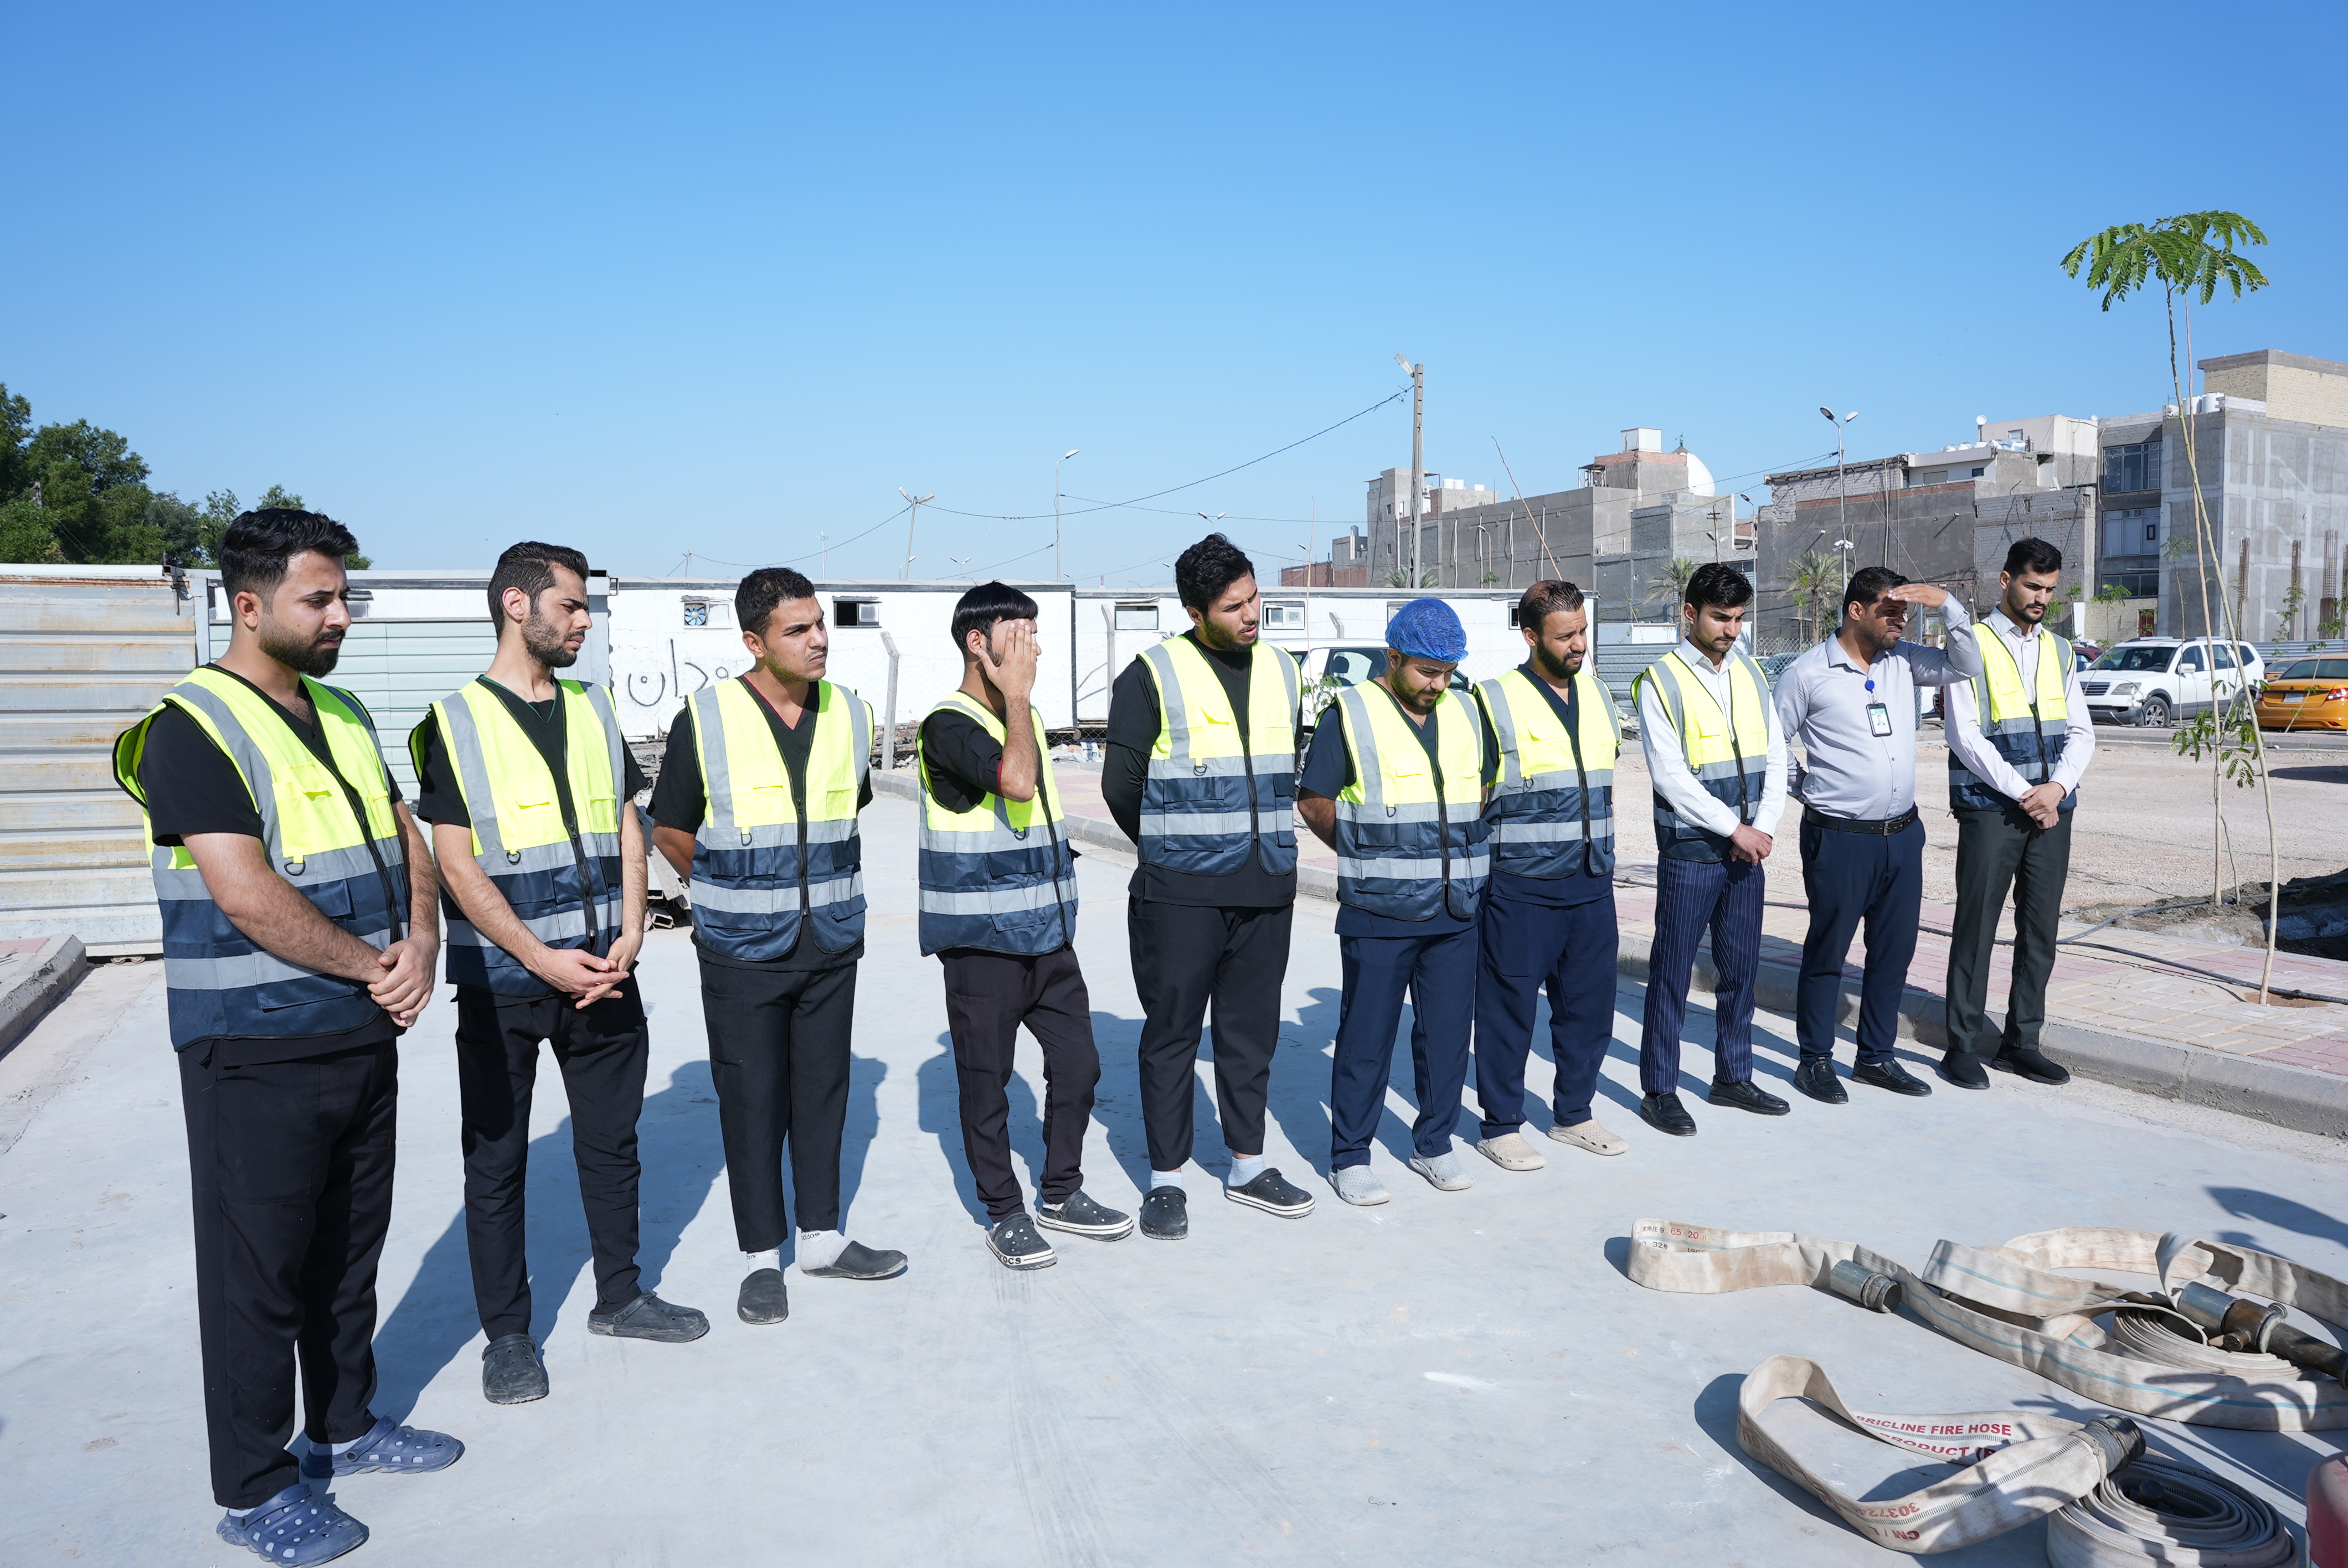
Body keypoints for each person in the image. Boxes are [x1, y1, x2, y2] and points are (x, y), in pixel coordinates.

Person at [114, 508, 460, 1564]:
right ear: (248, 604)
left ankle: (344, 1426)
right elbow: (243, 888)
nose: (341, 615)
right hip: (255, 1048)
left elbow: (402, 837)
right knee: (255, 1278)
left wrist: (421, 940)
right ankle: (255, 1487)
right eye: (320, 599)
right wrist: (376, 966)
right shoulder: (191, 727)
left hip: (357, 1033)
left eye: (345, 595)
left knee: (346, 1254)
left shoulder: (342, 709)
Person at [410, 541, 706, 1406]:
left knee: (612, 1145)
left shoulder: (591, 707)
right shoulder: (455, 720)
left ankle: (621, 1296)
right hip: (504, 986)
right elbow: (455, 861)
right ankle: (508, 1338)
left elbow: (625, 823)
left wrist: (632, 931)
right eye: (571, 606)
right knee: (497, 1163)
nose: (584, 623)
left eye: (586, 608)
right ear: (517, 605)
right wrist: (539, 958)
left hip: (606, 972)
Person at [648, 567, 908, 1327]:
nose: (819, 639)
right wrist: (730, 891)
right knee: (753, 1102)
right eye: (798, 630)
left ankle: (821, 1240)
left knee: (824, 1094)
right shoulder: (708, 717)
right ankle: (762, 1258)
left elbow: (844, 811)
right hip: (742, 951)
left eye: (820, 623)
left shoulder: (850, 713)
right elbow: (670, 829)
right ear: (754, 643)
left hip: (830, 942)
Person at [1100, 535, 1315, 1239]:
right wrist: (1173, 850)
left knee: (1249, 1036)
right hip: (1181, 893)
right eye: (1232, 607)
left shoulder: (1283, 669)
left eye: (1254, 598)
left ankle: (1248, 1165)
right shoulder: (1151, 676)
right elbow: (1120, 786)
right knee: (1172, 1034)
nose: (1251, 615)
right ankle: (1166, 1180)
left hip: (1267, 883)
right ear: (1195, 613)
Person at [917, 581, 1133, 1269]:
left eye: (1036, 636)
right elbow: (1013, 783)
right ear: (977, 643)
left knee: (1080, 1066)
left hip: (1046, 936)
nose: (1034, 650)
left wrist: (1019, 703)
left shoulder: (1025, 718)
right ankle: (1004, 1212)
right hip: (982, 944)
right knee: (987, 1083)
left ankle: (1060, 1193)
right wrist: (1015, 696)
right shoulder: (947, 725)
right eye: (1021, 636)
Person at [1297, 599, 1490, 1205]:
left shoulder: (1466, 711)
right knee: (1367, 1037)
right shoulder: (1351, 714)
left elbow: (1482, 788)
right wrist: (1367, 855)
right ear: (1394, 657)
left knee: (1447, 1038)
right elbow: (1314, 801)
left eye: (1448, 672)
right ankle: (1350, 1156)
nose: (1438, 685)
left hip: (1455, 909)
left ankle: (1434, 1144)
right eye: (1427, 672)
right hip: (1378, 912)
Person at [1773, 566, 1981, 1102]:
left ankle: (1875, 1057)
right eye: (1890, 612)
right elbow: (1774, 747)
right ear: (1856, 611)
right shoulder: (1807, 673)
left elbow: (1967, 665)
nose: (1900, 621)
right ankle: (1815, 1060)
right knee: (1828, 952)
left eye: (1904, 613)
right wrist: (1810, 790)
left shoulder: (1902, 661)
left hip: (1902, 836)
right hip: (1840, 839)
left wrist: (1948, 605)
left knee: (1893, 952)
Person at [1468, 580, 1628, 1170]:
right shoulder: (1492, 701)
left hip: (1591, 881)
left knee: (1589, 1009)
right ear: (1531, 637)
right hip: (1520, 886)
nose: (1579, 644)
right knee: (1508, 1012)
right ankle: (1501, 1126)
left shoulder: (1599, 695)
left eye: (1583, 631)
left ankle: (1575, 1115)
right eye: (1566, 636)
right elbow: (1473, 796)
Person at [1630, 563, 1792, 1134]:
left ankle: (1733, 1077)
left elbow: (1777, 755)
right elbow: (1670, 775)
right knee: (1672, 973)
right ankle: (1659, 1089)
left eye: (1739, 618)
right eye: (1721, 617)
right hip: (1691, 853)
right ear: (1689, 613)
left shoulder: (1750, 672)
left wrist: (1762, 826)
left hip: (1748, 852)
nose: (1731, 629)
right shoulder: (1661, 681)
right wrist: (1735, 830)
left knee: (1740, 970)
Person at [1939, 537, 2093, 1090]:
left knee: (2040, 929)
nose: (2041, 598)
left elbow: (2082, 732)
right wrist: (2027, 793)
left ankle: (2021, 1043)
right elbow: (1964, 735)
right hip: (1991, 810)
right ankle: (1961, 1046)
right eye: (2032, 586)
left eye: (2049, 589)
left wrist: (2057, 788)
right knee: (1976, 925)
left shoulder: (2060, 650)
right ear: (2005, 581)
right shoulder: (1972, 645)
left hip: (2052, 810)